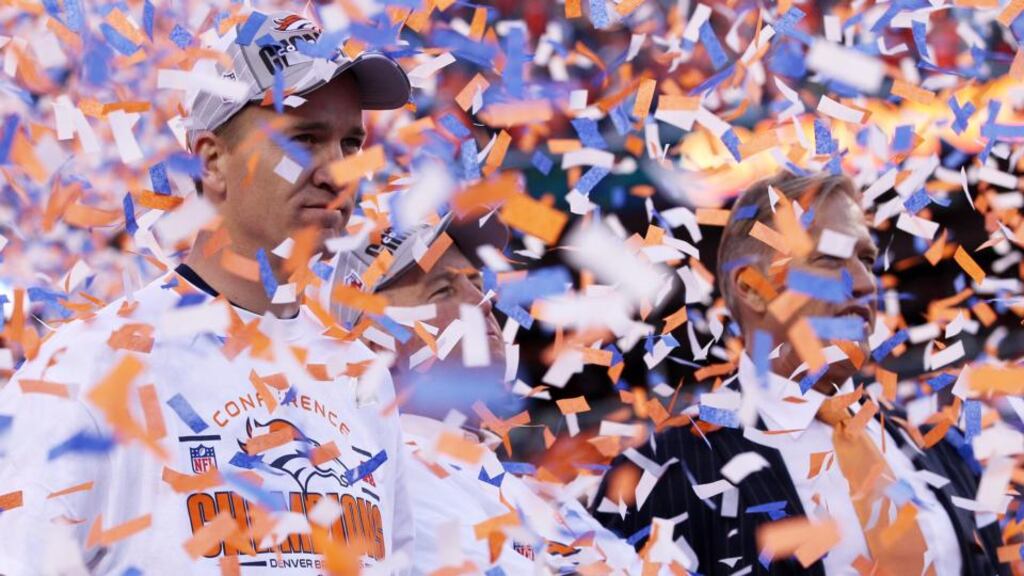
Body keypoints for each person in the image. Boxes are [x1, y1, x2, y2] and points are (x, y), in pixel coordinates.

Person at [0, 11, 415, 575]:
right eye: (304, 139)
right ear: (213, 162)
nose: (337, 172)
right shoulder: (89, 367)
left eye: (350, 143)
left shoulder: (363, 378)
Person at [592, 173, 1007, 576]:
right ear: (752, 287)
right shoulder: (664, 469)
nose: (864, 284)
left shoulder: (934, 445)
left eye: (865, 260)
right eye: (829, 259)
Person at [331, 213, 642, 573]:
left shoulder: (529, 491)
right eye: (444, 290)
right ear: (377, 344)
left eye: (476, 283)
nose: (483, 301)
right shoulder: (397, 480)